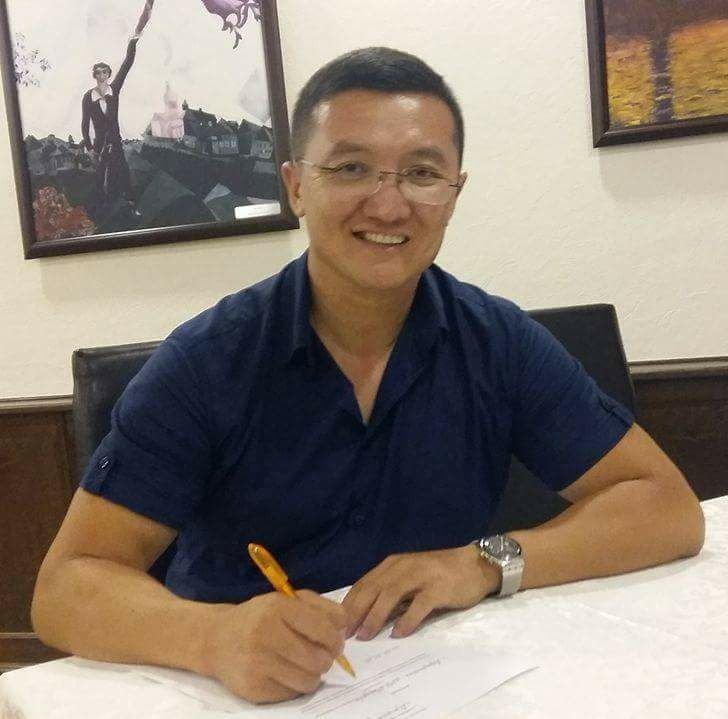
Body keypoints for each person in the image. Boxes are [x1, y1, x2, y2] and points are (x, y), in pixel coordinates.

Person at [33, 47, 705, 705]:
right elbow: (66, 587)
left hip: (445, 683)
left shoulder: (497, 342)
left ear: (454, 193)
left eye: (421, 173)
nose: (388, 206)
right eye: (351, 168)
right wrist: (214, 637)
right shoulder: (206, 361)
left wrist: (482, 561)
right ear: (296, 186)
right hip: (236, 693)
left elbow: (665, 507)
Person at [81, 1, 155, 212]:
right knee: (100, 176)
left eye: (105, 72)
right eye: (98, 73)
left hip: (116, 140)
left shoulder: (115, 89)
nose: (102, 75)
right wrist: (89, 148)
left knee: (123, 172)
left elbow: (127, 62)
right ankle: (99, 209)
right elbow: (85, 124)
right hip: (99, 145)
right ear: (95, 76)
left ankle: (130, 205)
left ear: (109, 74)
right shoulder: (88, 97)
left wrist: (134, 40)